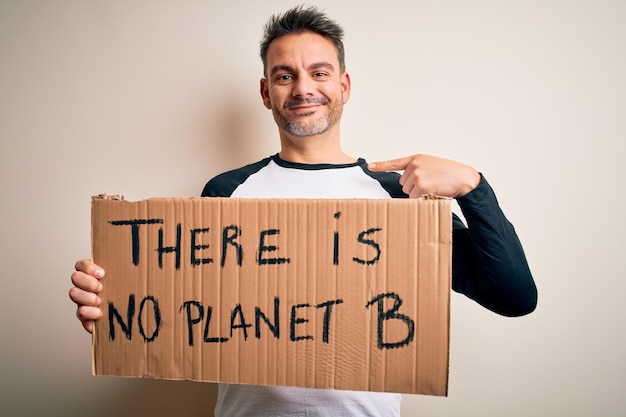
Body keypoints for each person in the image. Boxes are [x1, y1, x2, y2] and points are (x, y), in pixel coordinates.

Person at [70, 5, 537, 417]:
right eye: (284, 75)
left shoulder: (399, 196)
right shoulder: (226, 192)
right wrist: (109, 302)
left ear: (344, 85)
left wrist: (474, 188)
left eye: (319, 72)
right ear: (266, 91)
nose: (302, 88)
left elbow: (514, 297)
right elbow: (178, 310)